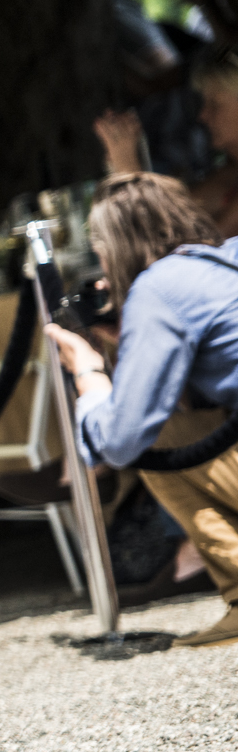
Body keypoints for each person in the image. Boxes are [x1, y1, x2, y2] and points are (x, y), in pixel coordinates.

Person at [45, 172, 238, 648]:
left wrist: (89, 371)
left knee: (154, 441)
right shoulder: (227, 256)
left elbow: (124, 438)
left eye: (101, 248)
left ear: (115, 245)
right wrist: (131, 342)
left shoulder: (158, 288)